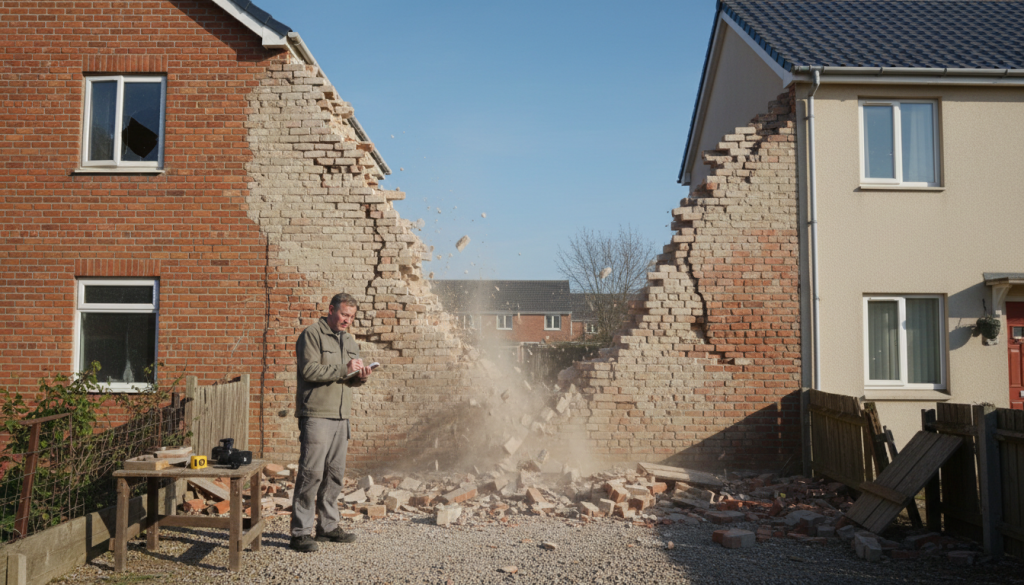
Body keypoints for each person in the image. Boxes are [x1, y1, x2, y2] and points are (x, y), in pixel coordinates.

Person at [289, 293, 373, 553]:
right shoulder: (312, 335)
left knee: (334, 475)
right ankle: (300, 533)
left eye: (352, 317)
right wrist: (344, 369)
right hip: (316, 414)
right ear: (331, 310)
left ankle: (327, 527)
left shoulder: (348, 340)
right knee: (311, 473)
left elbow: (348, 378)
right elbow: (309, 370)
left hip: (341, 415)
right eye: (344, 314)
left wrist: (360, 376)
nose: (348, 320)